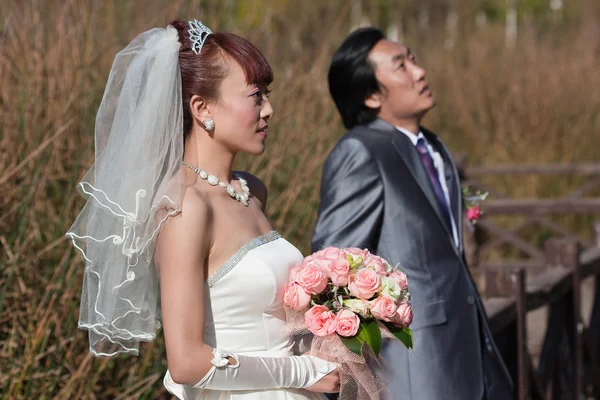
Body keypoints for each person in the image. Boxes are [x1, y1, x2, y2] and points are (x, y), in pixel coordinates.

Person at [66, 19, 339, 399]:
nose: (269, 110)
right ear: (202, 108)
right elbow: (187, 362)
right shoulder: (184, 207)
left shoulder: (251, 191)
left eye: (267, 94)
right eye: (255, 96)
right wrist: (301, 370)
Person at [312, 27, 514, 400]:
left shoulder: (434, 147)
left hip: (473, 357)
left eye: (413, 60)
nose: (419, 72)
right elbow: (333, 273)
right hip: (415, 369)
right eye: (400, 66)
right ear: (371, 95)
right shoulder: (360, 152)